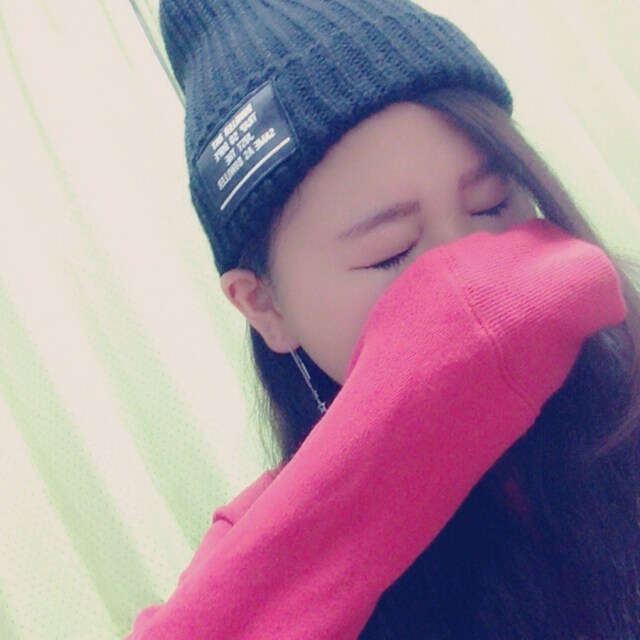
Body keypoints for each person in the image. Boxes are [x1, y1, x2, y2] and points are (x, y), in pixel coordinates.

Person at [126, 0, 640, 637]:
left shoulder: (625, 395)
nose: (471, 274)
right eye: (390, 252)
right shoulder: (258, 551)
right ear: (265, 306)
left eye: (491, 204)